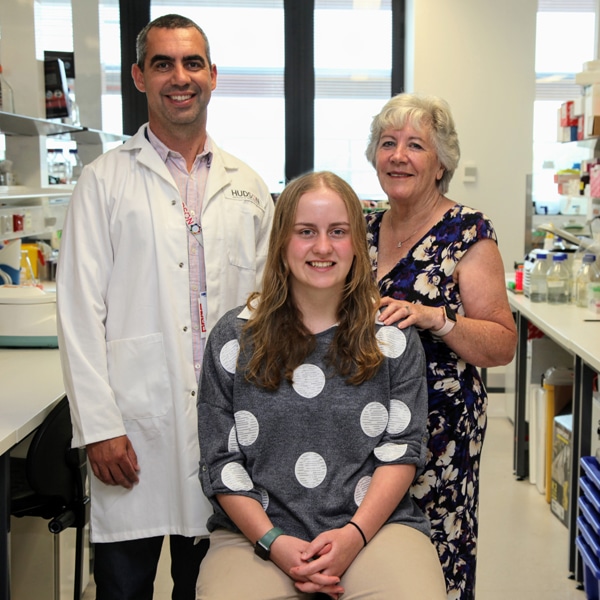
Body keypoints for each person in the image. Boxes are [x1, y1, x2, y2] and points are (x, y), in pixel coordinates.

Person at [56, 14, 274, 600]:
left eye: (192, 63)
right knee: (123, 589)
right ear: (138, 77)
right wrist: (99, 427)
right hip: (132, 433)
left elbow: (269, 315)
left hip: (230, 433)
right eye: (163, 64)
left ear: (213, 76)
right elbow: (79, 314)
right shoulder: (103, 183)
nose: (180, 77)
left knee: (205, 588)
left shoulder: (248, 187)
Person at [195, 171, 447, 600]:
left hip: (374, 527)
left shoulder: (392, 336)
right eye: (305, 232)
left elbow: (401, 450)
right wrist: (273, 542)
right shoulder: (233, 337)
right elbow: (221, 463)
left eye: (338, 232)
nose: (323, 247)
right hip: (256, 533)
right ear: (281, 243)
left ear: (357, 244)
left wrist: (352, 536)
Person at [365, 92, 517, 599]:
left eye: (415, 145)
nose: (398, 156)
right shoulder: (361, 228)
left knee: (435, 564)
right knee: (372, 564)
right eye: (388, 144)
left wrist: (437, 319)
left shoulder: (467, 232)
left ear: (441, 164)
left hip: (439, 434)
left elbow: (501, 343)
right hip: (361, 428)